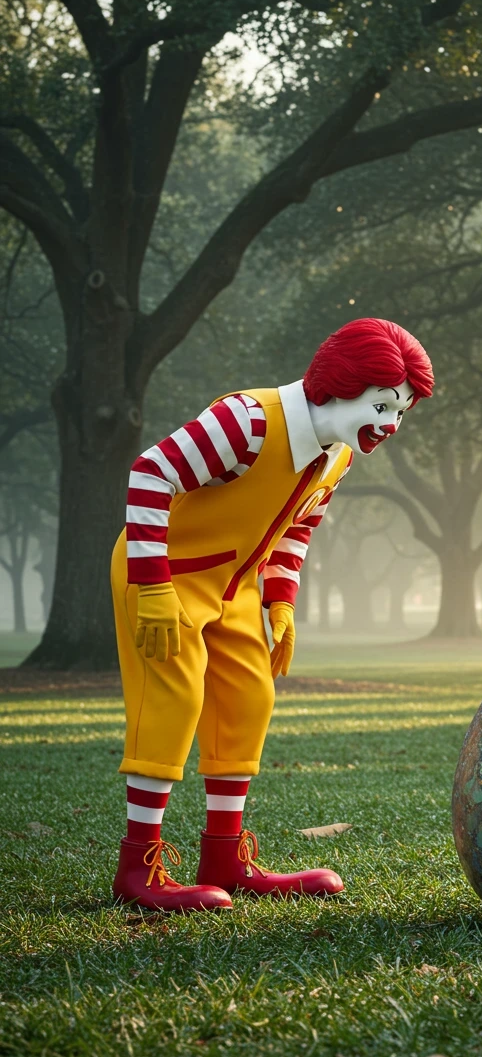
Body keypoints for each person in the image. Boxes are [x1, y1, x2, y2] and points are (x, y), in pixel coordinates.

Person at [110, 318, 434, 912]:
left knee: (247, 700)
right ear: (341, 383)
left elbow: (295, 529)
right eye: (383, 405)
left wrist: (279, 603)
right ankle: (138, 868)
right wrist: (151, 586)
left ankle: (224, 857)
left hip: (233, 584)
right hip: (165, 572)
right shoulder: (249, 421)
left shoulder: (336, 457)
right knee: (173, 700)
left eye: (402, 412)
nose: (390, 425)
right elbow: (150, 474)